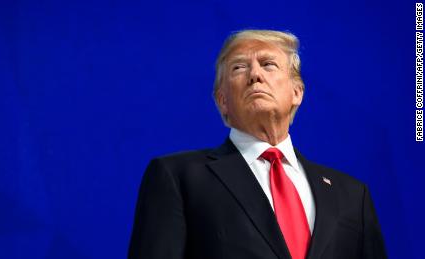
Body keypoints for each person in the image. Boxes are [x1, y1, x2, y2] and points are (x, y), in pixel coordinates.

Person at [128, 29, 387, 259]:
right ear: (223, 102)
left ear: (297, 92)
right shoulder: (178, 177)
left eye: (268, 64)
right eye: (239, 67)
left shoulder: (353, 195)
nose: (255, 75)